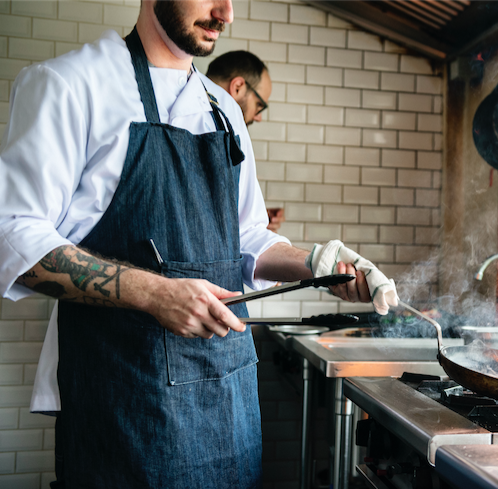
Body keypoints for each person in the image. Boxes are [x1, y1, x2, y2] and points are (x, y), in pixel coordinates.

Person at [0, 1, 396, 487]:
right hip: (124, 407)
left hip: (228, 408)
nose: (225, 13)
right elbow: (13, 237)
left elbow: (245, 236)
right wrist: (155, 294)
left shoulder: (223, 109)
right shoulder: (70, 85)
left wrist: (317, 262)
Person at [207, 50, 284, 232]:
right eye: (259, 105)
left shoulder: (228, 134)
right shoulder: (215, 134)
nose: (258, 118)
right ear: (238, 87)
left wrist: (249, 219)